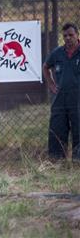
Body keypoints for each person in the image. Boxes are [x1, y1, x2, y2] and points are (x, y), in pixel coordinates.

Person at [43, 22, 80, 161]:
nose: (68, 38)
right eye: (65, 36)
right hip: (60, 97)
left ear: (77, 35)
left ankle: (78, 161)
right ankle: (57, 161)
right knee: (57, 128)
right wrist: (51, 84)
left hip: (78, 97)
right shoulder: (57, 53)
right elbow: (46, 66)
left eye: (71, 35)